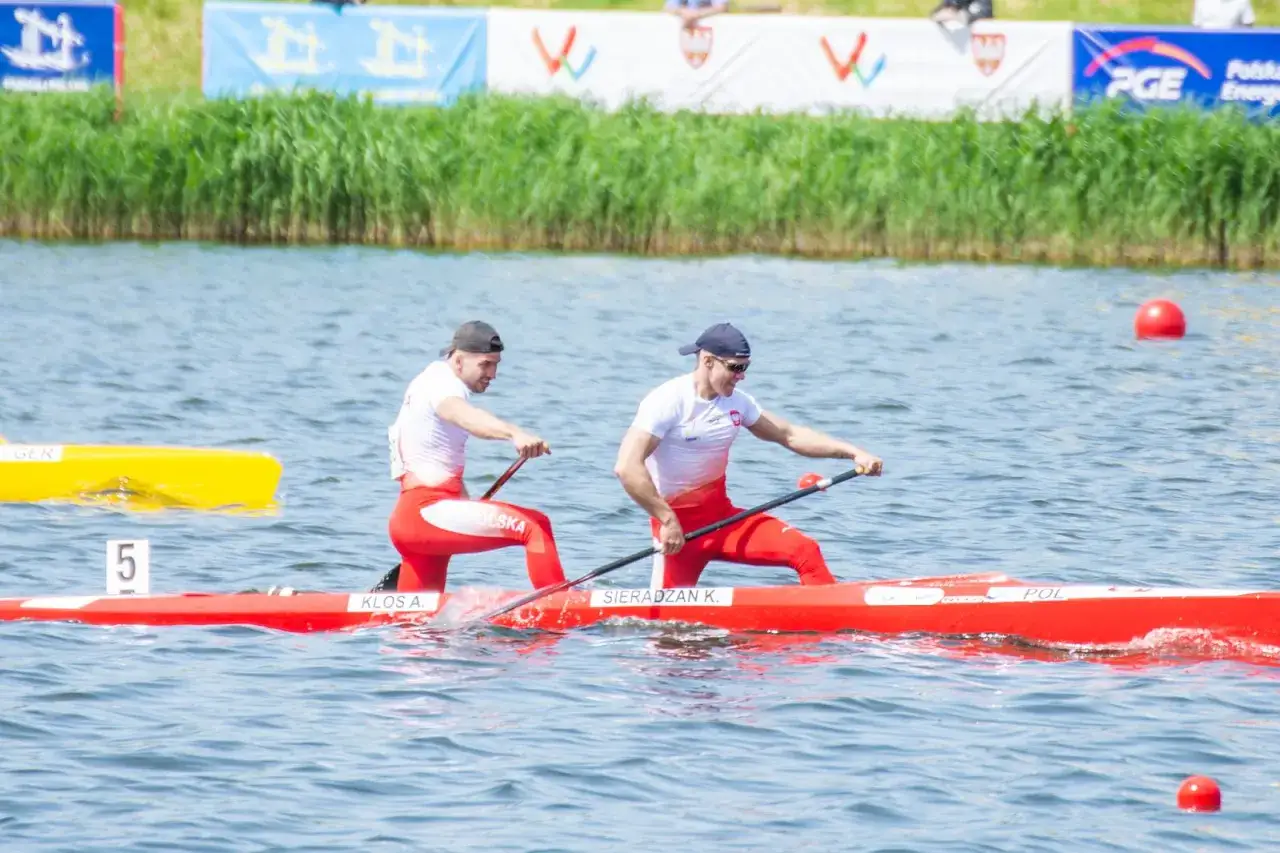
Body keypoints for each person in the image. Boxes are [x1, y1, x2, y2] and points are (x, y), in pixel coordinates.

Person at [613, 322, 883, 590]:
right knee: (666, 625)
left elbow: (789, 435)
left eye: (746, 368)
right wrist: (668, 520)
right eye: (735, 367)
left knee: (805, 550)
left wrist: (854, 453)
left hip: (722, 520)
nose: (741, 376)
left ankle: (832, 619)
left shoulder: (738, 402)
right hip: (679, 533)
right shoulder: (667, 401)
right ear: (708, 361)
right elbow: (627, 467)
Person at [383, 321, 567, 593]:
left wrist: (465, 505)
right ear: (459, 361)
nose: (492, 374)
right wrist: (514, 433)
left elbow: (439, 464)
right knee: (535, 526)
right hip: (425, 514)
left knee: (417, 625)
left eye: (496, 364)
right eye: (485, 364)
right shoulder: (442, 385)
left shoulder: (428, 381)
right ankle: (561, 606)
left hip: (416, 521)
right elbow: (466, 417)